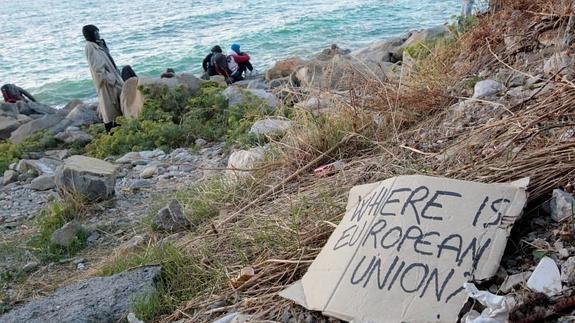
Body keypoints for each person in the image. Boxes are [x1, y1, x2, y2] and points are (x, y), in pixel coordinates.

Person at [83, 24, 124, 132]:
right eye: (96, 33)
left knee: (115, 109)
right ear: (90, 34)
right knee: (110, 111)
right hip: (107, 84)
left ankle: (117, 133)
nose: (98, 34)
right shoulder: (90, 47)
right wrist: (112, 80)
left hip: (111, 82)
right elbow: (98, 69)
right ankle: (112, 135)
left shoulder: (97, 45)